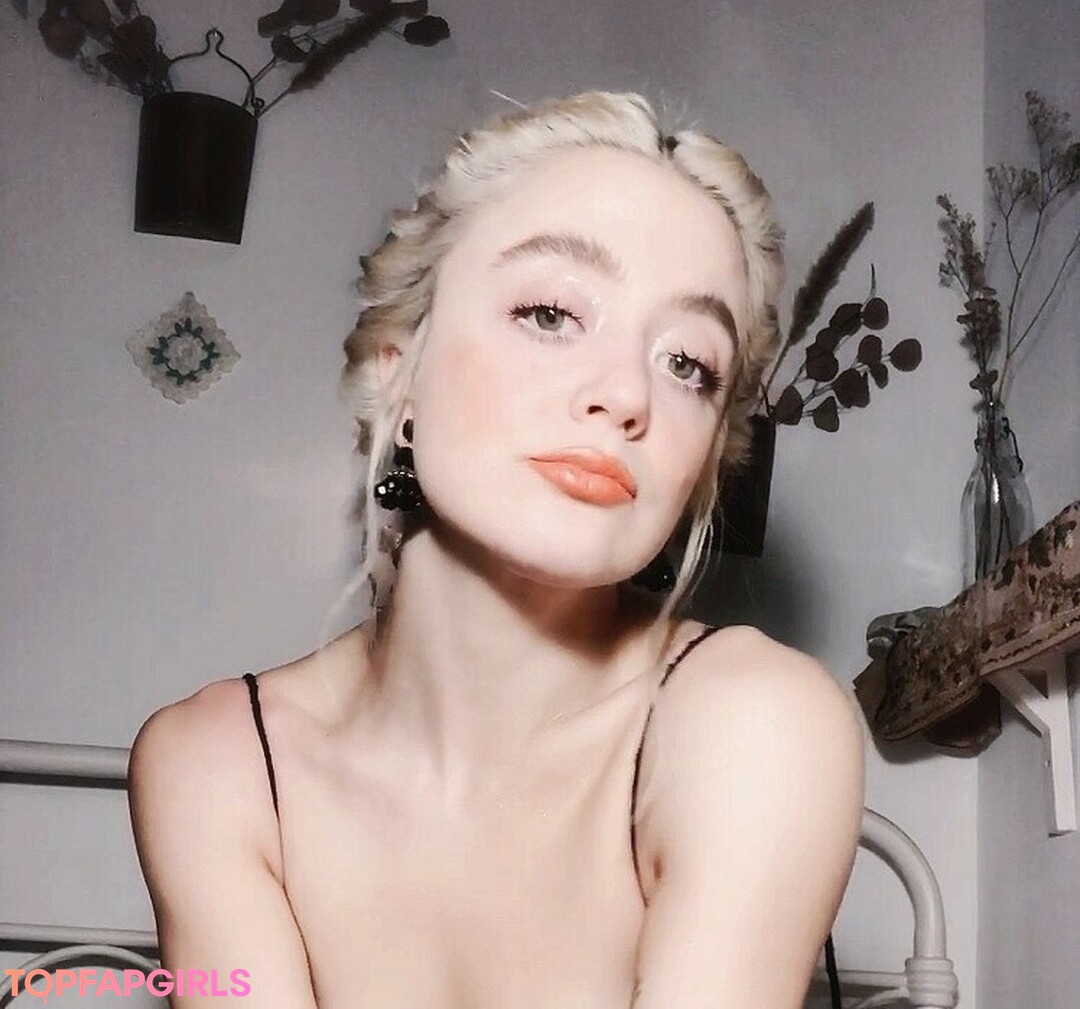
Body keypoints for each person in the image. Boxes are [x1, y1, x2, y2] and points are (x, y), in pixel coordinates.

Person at [127, 91, 865, 1008]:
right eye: (551, 312)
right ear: (400, 369)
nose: (625, 392)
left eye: (687, 363)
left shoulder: (755, 724)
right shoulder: (216, 765)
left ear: (709, 456)